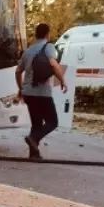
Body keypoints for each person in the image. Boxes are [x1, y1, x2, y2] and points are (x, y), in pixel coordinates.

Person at [16, 22, 66, 159]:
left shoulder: (28, 51)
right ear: (47, 34)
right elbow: (54, 64)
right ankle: (34, 139)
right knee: (52, 121)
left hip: (28, 93)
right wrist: (62, 80)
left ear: (36, 34)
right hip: (42, 93)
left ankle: (34, 154)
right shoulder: (48, 47)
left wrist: (21, 89)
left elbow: (17, 72)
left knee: (36, 123)